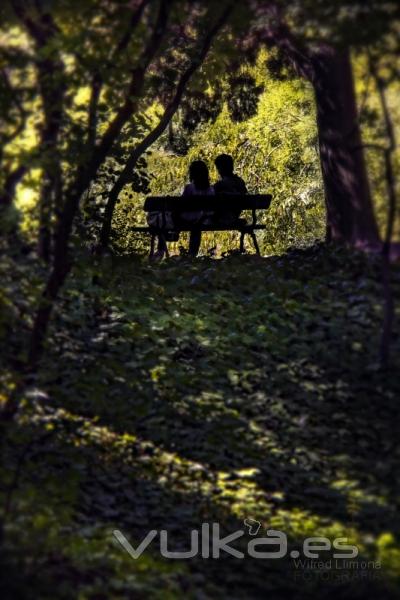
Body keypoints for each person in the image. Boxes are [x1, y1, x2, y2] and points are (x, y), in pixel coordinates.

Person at [149, 160, 214, 259]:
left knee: (163, 219)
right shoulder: (211, 189)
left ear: (192, 174)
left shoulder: (190, 188)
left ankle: (161, 249)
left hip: (185, 219)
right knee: (196, 227)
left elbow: (181, 205)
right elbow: (210, 209)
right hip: (201, 219)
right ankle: (192, 253)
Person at [213, 154, 247, 225]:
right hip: (234, 215)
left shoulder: (220, 185)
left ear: (221, 168)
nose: (218, 171)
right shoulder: (240, 182)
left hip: (221, 218)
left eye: (218, 168)